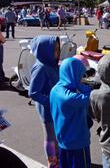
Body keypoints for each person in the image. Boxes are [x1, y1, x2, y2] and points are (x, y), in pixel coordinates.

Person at [50, 57, 92, 168]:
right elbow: (91, 97)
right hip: (77, 142)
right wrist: (81, 86)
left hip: (63, 139)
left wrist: (77, 84)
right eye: (80, 75)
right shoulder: (71, 97)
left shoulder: (56, 89)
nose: (82, 78)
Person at [29, 35, 60, 168]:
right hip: (47, 109)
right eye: (55, 50)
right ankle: (52, 161)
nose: (58, 53)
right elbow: (33, 92)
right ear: (45, 50)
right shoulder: (41, 67)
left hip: (55, 107)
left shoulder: (51, 63)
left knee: (55, 135)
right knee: (50, 136)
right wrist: (50, 102)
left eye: (58, 49)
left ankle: (57, 156)